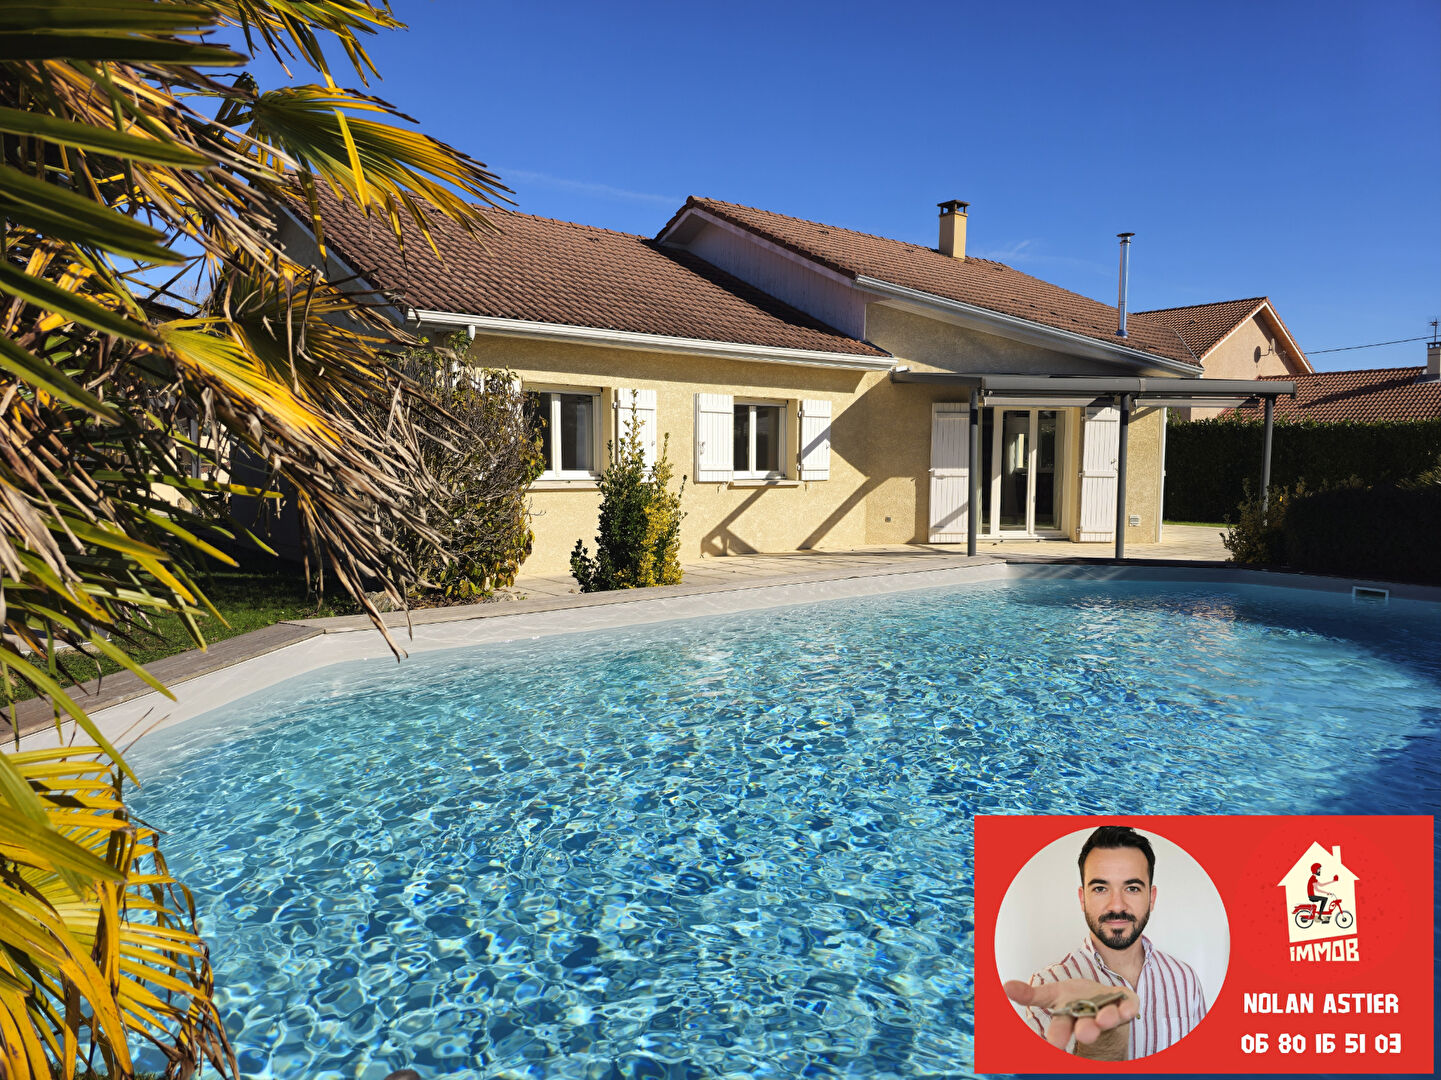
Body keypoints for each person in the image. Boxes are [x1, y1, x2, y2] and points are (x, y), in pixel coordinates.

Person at [1003, 825, 1208, 1061]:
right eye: (1100, 888)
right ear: (1083, 899)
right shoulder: (1048, 986)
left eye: (1132, 888)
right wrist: (1101, 1043)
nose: (1117, 905)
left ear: (1151, 898)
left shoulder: (1185, 979)